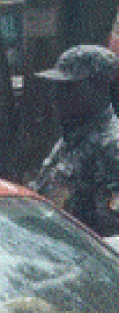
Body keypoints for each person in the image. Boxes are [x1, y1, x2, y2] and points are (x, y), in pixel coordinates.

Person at [32, 44, 119, 239]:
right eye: (56, 86)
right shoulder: (70, 141)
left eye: (68, 87)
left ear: (98, 86)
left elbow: (112, 234)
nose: (56, 95)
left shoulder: (112, 147)